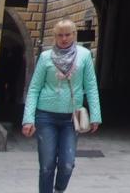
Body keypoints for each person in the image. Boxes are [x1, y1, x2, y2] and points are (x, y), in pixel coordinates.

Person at [22, 19, 100, 193]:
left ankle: (59, 189)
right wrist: (28, 119)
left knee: (67, 163)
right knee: (46, 164)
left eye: (67, 34)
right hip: (45, 115)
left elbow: (91, 86)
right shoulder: (45, 57)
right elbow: (34, 88)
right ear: (54, 36)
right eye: (60, 35)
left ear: (74, 35)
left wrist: (95, 115)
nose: (64, 39)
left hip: (72, 116)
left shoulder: (84, 55)